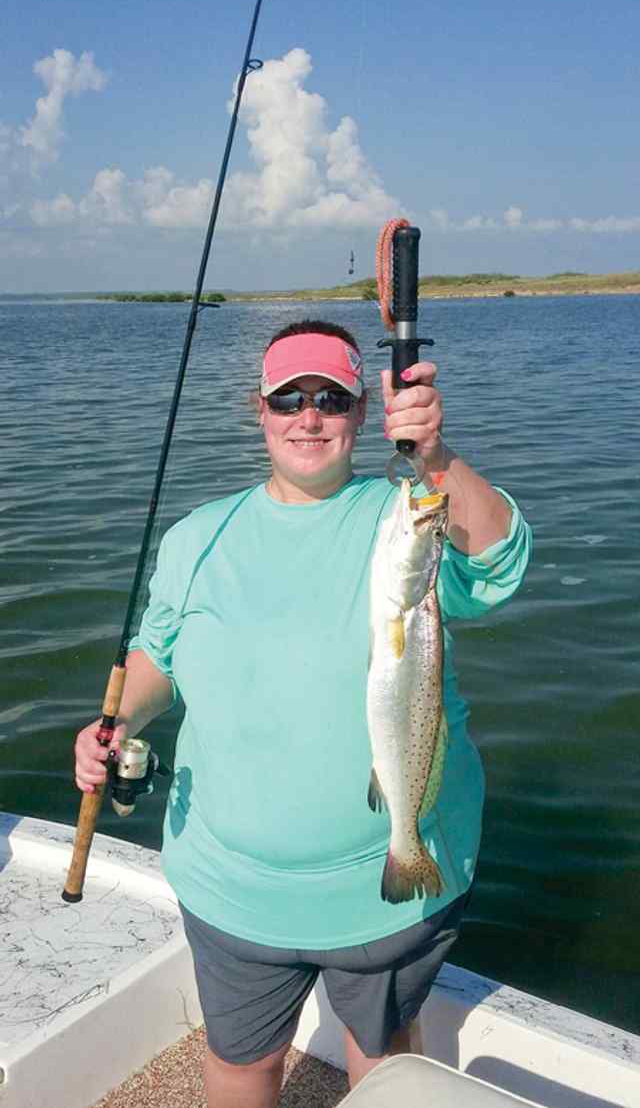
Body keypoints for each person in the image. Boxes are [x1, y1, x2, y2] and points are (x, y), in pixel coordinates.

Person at [75, 319, 531, 1108]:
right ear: (260, 410)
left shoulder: (403, 516)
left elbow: (496, 565)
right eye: (290, 397)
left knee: (383, 1060)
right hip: (229, 885)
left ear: (360, 415)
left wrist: (438, 460)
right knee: (241, 1061)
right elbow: (159, 658)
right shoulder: (198, 536)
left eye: (331, 398)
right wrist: (120, 722)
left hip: (385, 887)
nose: (309, 415)